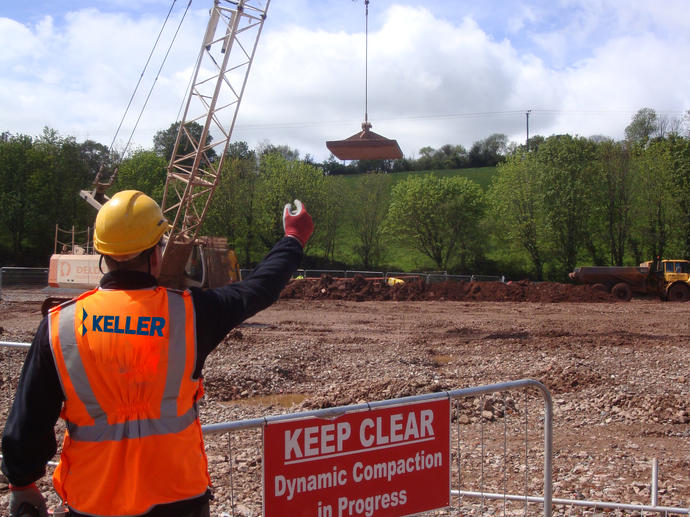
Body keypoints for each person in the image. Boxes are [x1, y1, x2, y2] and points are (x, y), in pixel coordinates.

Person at [1, 190, 314, 517]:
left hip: (93, 501)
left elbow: (29, 419)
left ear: (102, 255)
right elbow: (258, 289)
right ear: (155, 254)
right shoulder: (190, 315)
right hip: (179, 499)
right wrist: (293, 238)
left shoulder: (60, 326)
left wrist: (22, 484)